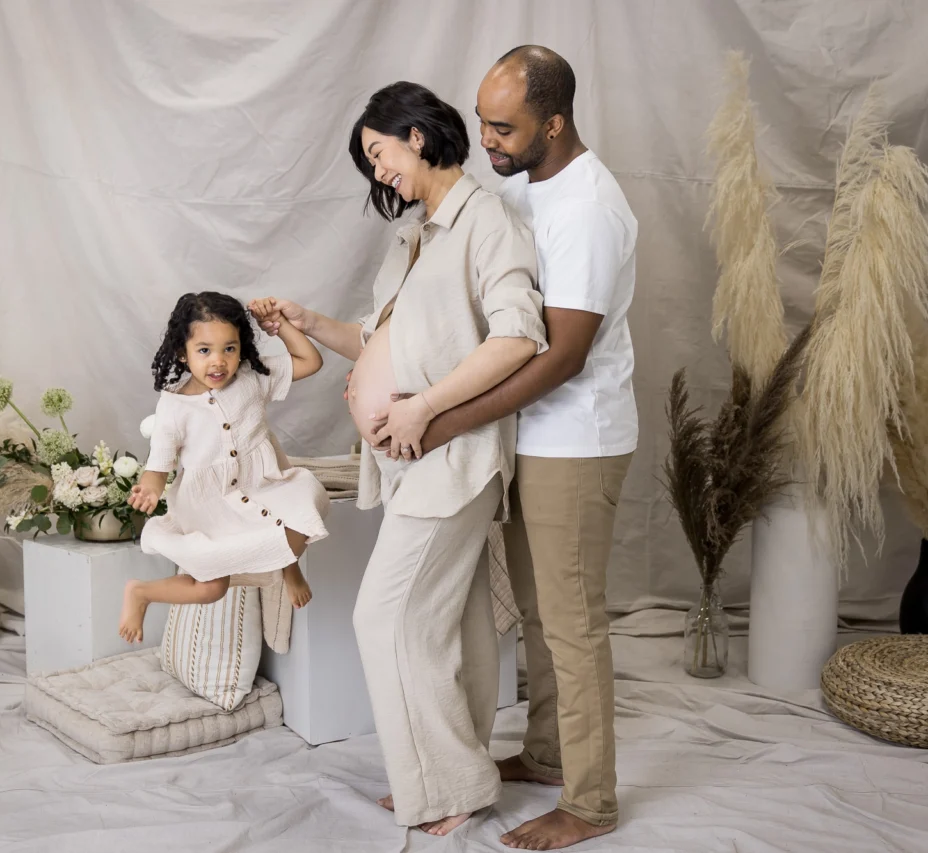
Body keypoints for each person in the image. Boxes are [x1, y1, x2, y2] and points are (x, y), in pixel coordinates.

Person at [255, 81, 548, 835]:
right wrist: (311, 322)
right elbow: (384, 341)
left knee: (386, 617)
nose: (378, 174)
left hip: (456, 458)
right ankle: (452, 773)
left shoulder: (488, 222)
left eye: (379, 155)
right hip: (414, 464)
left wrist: (423, 407)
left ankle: (451, 783)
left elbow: (519, 338)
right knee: (454, 624)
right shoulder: (417, 235)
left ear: (416, 135)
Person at [379, 46, 639, 850]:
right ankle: (549, 749)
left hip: (577, 437)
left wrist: (444, 417)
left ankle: (592, 802)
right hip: (531, 434)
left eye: (504, 128)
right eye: (484, 120)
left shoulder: (590, 208)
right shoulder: (531, 186)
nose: (487, 141)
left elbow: (560, 355)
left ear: (553, 124)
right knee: (534, 612)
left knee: (571, 621)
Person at [117, 291, 330, 644]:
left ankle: (287, 567)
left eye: (229, 349)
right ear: (182, 353)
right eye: (204, 350)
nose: (218, 362)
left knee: (302, 511)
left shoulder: (252, 375)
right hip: (211, 505)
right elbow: (159, 465)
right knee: (211, 588)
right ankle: (141, 592)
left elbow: (310, 360)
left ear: (241, 348)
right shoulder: (174, 407)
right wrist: (150, 489)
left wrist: (276, 325)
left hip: (261, 485)